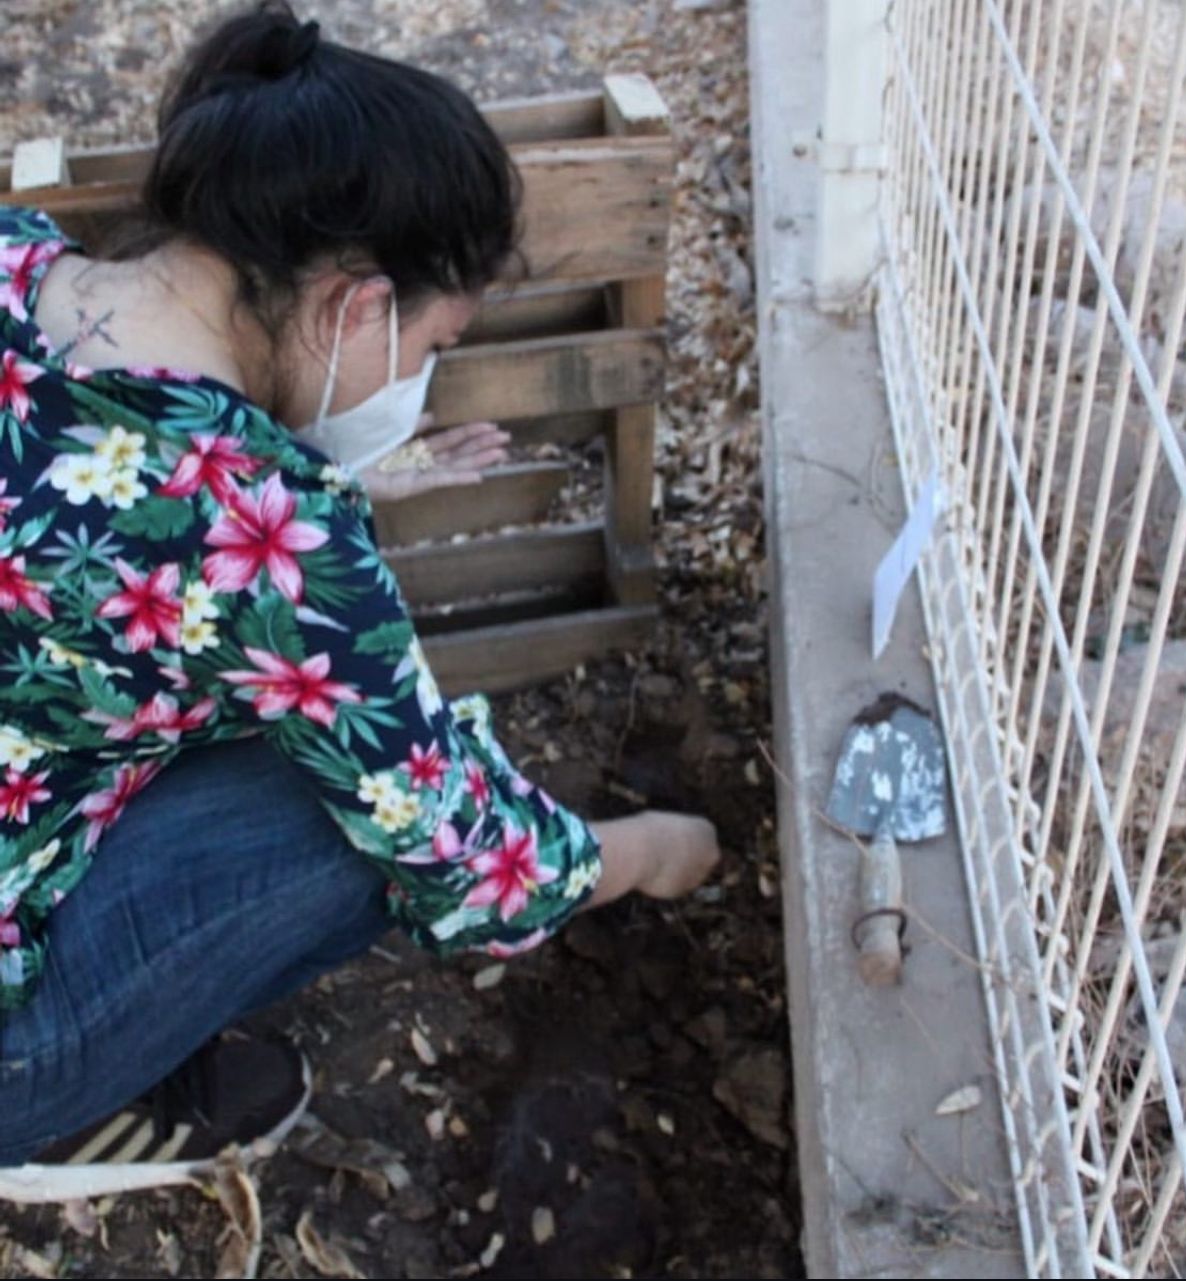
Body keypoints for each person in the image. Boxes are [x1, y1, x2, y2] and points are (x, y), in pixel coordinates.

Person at [0, 1, 719, 1203]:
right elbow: (464, 860)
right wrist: (647, 853)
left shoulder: (15, 257)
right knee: (354, 820)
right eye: (432, 345)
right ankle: (53, 1117)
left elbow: (82, 523)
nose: (420, 379)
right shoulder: (270, 535)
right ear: (357, 305)